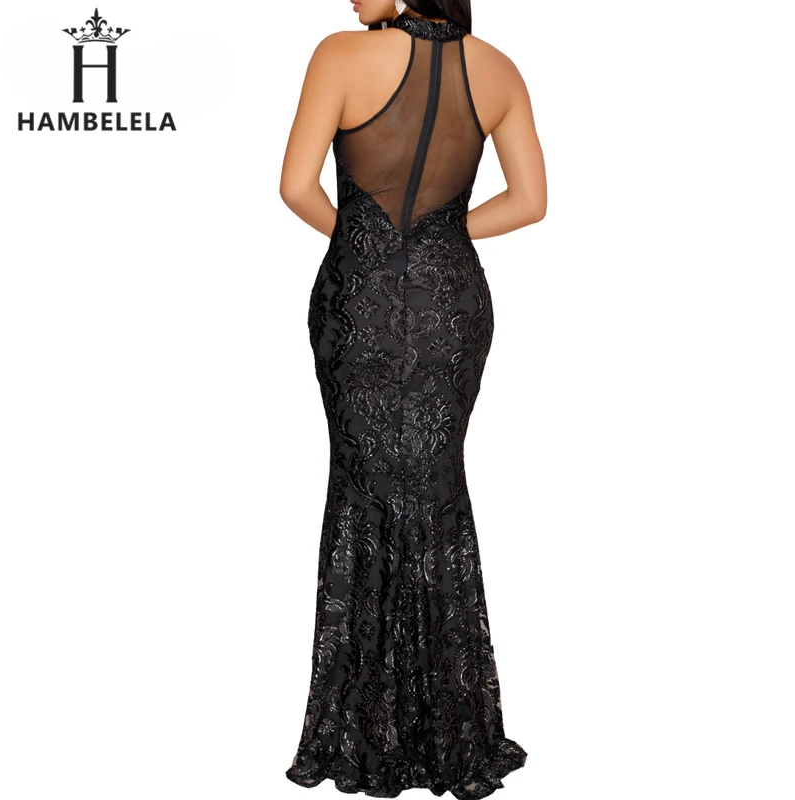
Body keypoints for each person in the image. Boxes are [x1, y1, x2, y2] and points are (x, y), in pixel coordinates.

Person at [280, 1, 546, 797]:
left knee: (364, 487)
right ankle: (450, 728)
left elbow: (295, 187)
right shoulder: (499, 71)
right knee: (434, 489)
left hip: (360, 299)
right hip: (449, 304)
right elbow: (530, 201)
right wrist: (440, 238)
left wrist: (370, 243)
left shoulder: (338, 55)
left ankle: (366, 727)